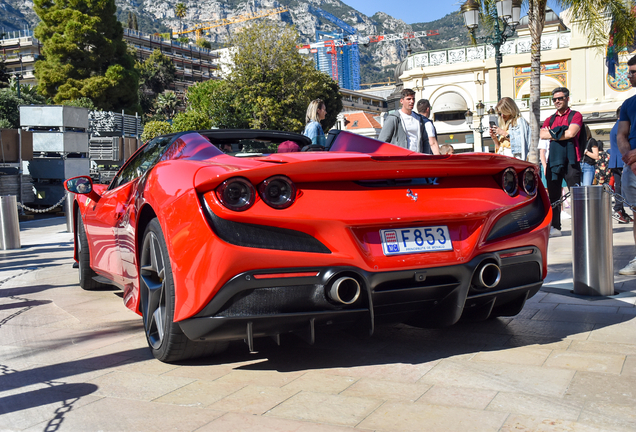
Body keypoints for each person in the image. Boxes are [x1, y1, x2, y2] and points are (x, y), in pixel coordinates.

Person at [540, 87, 583, 237]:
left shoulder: (575, 115)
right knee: (554, 195)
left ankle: (580, 225)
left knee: (576, 194)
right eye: (554, 99)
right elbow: (542, 134)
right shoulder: (549, 119)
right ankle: (555, 226)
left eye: (560, 98)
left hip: (571, 160)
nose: (557, 101)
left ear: (567, 99)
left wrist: (552, 133)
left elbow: (572, 133)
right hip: (553, 161)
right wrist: (561, 133)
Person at [616, 55, 636, 274]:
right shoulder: (628, 104)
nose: (629, 76)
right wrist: (629, 158)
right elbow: (622, 134)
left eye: (632, 72)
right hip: (632, 164)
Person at [378, 89, 434, 154]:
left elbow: (425, 141)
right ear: (401, 101)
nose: (412, 101)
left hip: (418, 159)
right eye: (408, 99)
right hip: (400, 160)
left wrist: (426, 157)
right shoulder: (393, 118)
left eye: (413, 99)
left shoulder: (419, 119)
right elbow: (382, 141)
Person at [609, 106, 632, 223]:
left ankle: (620, 211)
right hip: (621, 159)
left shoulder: (615, 126)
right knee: (621, 186)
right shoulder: (621, 126)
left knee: (619, 186)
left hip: (616, 160)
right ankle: (618, 208)